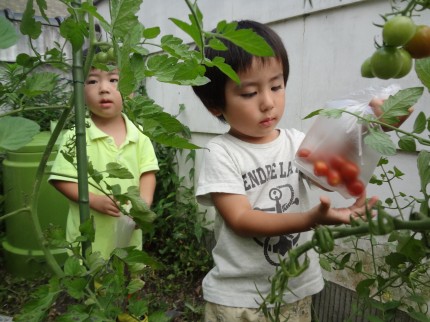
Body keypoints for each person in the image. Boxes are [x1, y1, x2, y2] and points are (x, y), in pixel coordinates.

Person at [191, 20, 405, 322]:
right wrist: (310, 220)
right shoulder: (222, 152)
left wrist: (375, 128)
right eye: (249, 93)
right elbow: (240, 220)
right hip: (240, 300)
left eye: (276, 86)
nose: (268, 103)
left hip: (296, 288)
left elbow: (330, 174)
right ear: (215, 104)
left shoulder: (294, 141)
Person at [48, 53, 159, 260]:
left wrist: (143, 204)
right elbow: (61, 179)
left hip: (128, 230)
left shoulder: (140, 133)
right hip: (89, 233)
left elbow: (148, 172)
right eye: (92, 81)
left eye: (114, 80)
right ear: (80, 92)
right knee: (92, 280)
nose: (104, 88)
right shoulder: (77, 135)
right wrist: (93, 200)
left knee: (128, 274)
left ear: (131, 90)